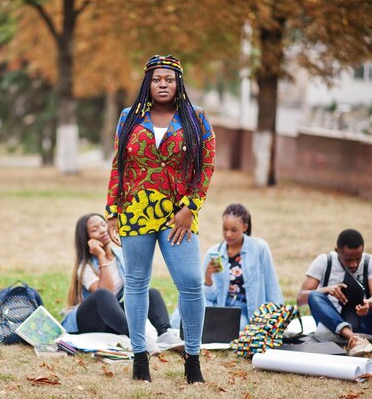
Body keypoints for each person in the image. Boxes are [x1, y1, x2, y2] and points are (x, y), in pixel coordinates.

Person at [105, 55, 216, 383]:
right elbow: (118, 165)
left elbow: (206, 166)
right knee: (137, 283)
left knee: (192, 283)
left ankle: (192, 358)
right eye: (157, 79)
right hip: (136, 211)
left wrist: (190, 208)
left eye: (169, 79)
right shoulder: (129, 117)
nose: (163, 84)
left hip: (177, 215)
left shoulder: (196, 118)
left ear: (178, 82)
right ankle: (139, 358)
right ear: (148, 83)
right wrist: (112, 211)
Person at [61, 213, 182, 355]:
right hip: (89, 321)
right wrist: (101, 256)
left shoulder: (120, 255)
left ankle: (165, 334)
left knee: (151, 293)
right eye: (94, 230)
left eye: (103, 224)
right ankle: (137, 339)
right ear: (87, 239)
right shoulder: (85, 267)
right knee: (103, 294)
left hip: (111, 320)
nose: (101, 230)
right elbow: (107, 292)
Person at [296, 229, 372, 358]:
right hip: (331, 324)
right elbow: (301, 298)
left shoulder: (370, 261)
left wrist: (368, 304)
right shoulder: (324, 261)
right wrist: (327, 290)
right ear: (337, 250)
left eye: (358, 259)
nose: (354, 264)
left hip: (364, 321)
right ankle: (354, 339)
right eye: (348, 260)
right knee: (315, 295)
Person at [202, 203, 283, 330]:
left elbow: (271, 285)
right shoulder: (213, 253)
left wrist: (278, 318)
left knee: (238, 326)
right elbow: (210, 298)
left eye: (234, 230)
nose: (228, 234)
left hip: (246, 311)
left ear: (245, 227)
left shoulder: (260, 248)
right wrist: (208, 278)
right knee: (177, 320)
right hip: (221, 309)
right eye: (225, 229)